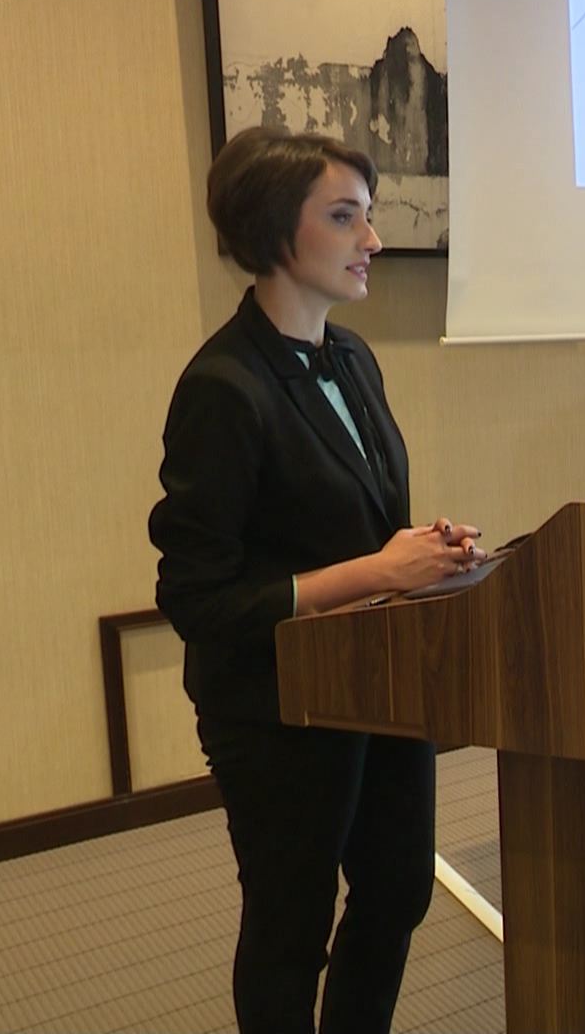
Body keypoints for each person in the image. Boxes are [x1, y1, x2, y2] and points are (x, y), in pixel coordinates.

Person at [149, 127, 486, 1033]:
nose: (372, 239)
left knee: (399, 890)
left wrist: (419, 550)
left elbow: (352, 522)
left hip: (380, 679)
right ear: (271, 231)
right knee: (290, 928)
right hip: (277, 706)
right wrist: (377, 568)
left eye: (367, 216)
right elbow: (197, 600)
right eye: (344, 218)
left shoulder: (353, 358)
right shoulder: (223, 387)